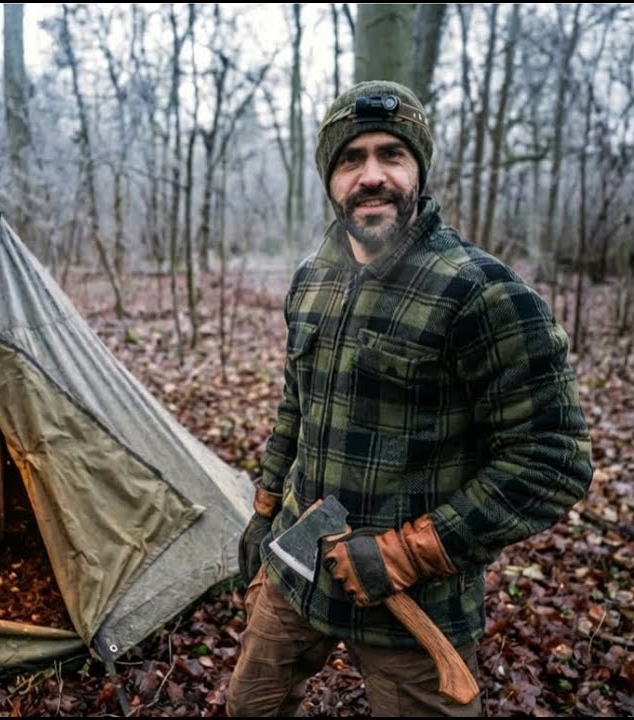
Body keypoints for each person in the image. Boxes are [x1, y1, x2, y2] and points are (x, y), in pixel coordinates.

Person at [229, 79, 594, 717]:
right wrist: (264, 513)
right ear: (330, 177)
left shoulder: (482, 293)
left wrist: (405, 553)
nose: (371, 175)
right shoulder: (312, 279)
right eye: (351, 158)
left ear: (418, 169)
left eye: (391, 155)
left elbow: (553, 458)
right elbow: (298, 406)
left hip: (415, 604)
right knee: (249, 708)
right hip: (295, 566)